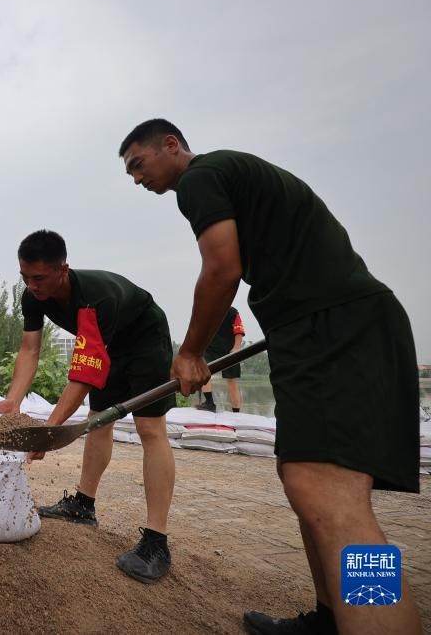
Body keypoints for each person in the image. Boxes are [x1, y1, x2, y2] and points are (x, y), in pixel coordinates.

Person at [119, 118, 421, 633]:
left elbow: (221, 268)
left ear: (171, 145)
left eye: (138, 165)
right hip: (313, 328)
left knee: (334, 497)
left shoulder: (199, 177)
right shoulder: (234, 176)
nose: (136, 179)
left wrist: (190, 352)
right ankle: (330, 618)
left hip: (335, 325)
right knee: (302, 478)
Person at [0, 230, 176, 583]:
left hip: (145, 340)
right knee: (97, 420)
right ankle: (83, 505)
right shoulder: (33, 296)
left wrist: (52, 430)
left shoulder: (94, 298)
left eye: (39, 278)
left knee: (150, 429)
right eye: (25, 277)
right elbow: (30, 350)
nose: (31, 286)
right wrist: (13, 399)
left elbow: (84, 375)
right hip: (111, 345)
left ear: (64, 269)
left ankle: (156, 541)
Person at [199, 307, 245, 412]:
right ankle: (209, 403)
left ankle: (236, 412)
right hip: (210, 348)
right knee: (204, 373)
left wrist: (236, 348)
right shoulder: (207, 311)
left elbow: (239, 331)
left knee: (232, 380)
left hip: (229, 350)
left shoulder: (232, 312)